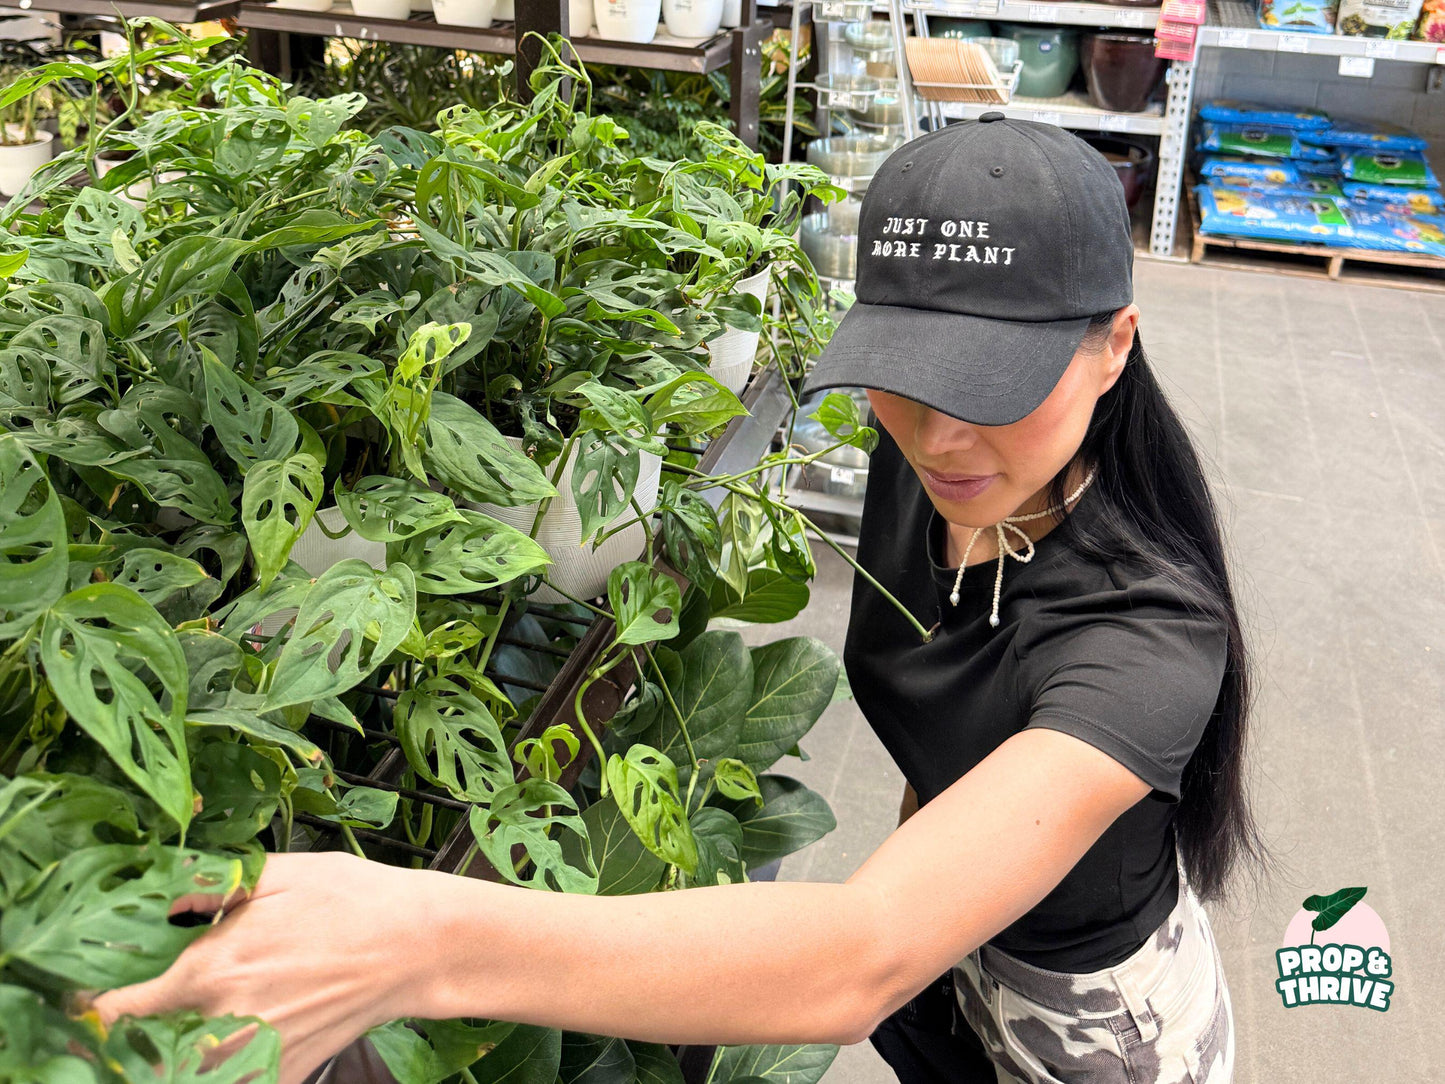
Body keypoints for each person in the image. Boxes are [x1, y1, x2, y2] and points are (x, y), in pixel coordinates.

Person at [94, 116, 1274, 1084]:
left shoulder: (1148, 636)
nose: (940, 431)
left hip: (1092, 1036)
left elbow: (852, 958)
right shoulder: (929, 462)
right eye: (909, 374)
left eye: (991, 384)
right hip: (956, 963)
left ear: (1112, 345)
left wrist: (413, 940)